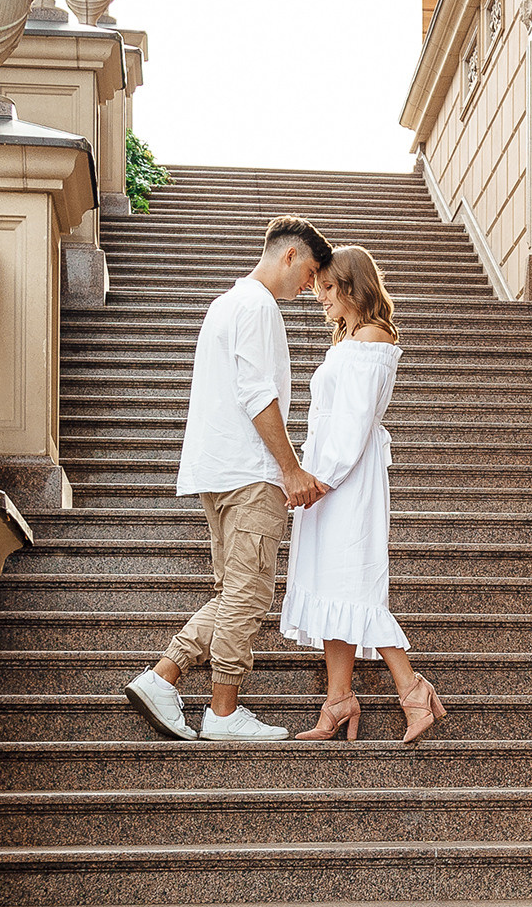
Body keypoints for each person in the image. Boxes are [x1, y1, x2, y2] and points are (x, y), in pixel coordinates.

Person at [125, 214, 332, 744]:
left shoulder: (225, 303)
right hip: (249, 474)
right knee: (249, 595)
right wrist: (290, 468)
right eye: (310, 272)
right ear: (289, 255)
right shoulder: (259, 307)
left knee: (233, 592)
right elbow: (256, 392)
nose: (311, 287)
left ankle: (162, 678)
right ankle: (222, 710)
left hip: (216, 471)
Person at [282, 244, 448, 745]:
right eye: (319, 287)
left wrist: (322, 480)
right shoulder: (350, 338)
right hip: (330, 473)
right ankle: (337, 701)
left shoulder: (371, 338)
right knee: (332, 586)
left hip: (345, 478)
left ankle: (413, 690)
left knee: (355, 586)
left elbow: (353, 425)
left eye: (329, 287)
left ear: (355, 287)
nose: (320, 296)